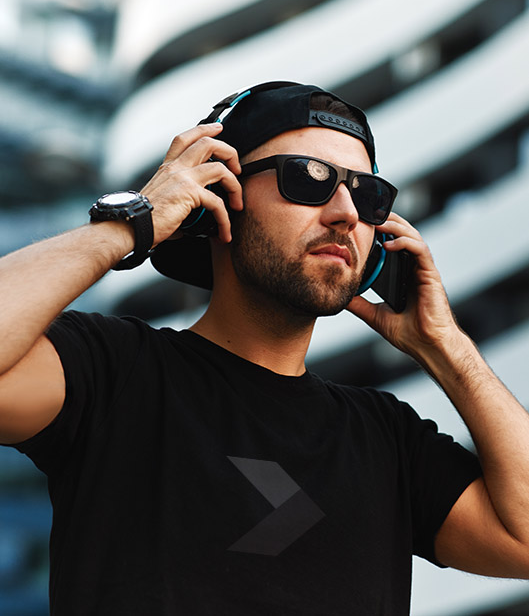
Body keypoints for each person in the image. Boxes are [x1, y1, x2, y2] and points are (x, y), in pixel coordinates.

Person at [0, 81, 528, 615]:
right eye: (309, 178)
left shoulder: (387, 439)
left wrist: (446, 347)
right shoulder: (114, 371)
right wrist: (135, 222)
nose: (346, 212)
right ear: (218, 194)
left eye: (368, 195)